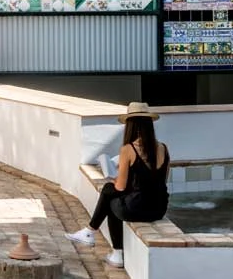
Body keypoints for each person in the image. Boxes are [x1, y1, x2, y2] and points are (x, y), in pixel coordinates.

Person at [72, 101, 169, 265]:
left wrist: (114, 178)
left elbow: (120, 187)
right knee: (113, 194)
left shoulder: (129, 149)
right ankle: (90, 232)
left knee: (110, 193)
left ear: (130, 126)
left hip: (138, 209)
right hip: (159, 209)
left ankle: (109, 247)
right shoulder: (163, 148)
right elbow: (161, 181)